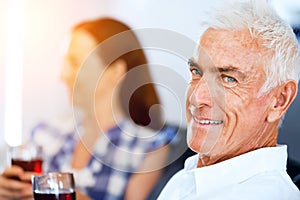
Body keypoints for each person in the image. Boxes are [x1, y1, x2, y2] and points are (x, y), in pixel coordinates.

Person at [0, 17, 177, 200]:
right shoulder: (44, 133)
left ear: (115, 71)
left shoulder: (147, 148)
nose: (63, 75)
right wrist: (5, 191)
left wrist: (74, 196)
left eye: (75, 63)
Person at [158, 0, 300, 199]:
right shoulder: (185, 179)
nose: (197, 98)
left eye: (228, 79)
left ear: (279, 100)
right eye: (197, 72)